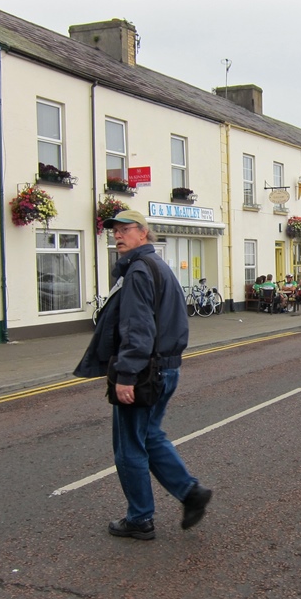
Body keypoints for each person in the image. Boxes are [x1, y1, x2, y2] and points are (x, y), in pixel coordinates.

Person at [74, 209, 212, 540]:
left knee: (130, 446)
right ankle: (190, 493)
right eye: (114, 231)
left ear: (143, 233)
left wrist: (125, 375)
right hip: (164, 368)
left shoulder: (138, 271)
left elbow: (138, 329)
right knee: (149, 436)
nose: (117, 235)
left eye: (125, 229)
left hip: (145, 372)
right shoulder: (156, 266)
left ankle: (140, 518)